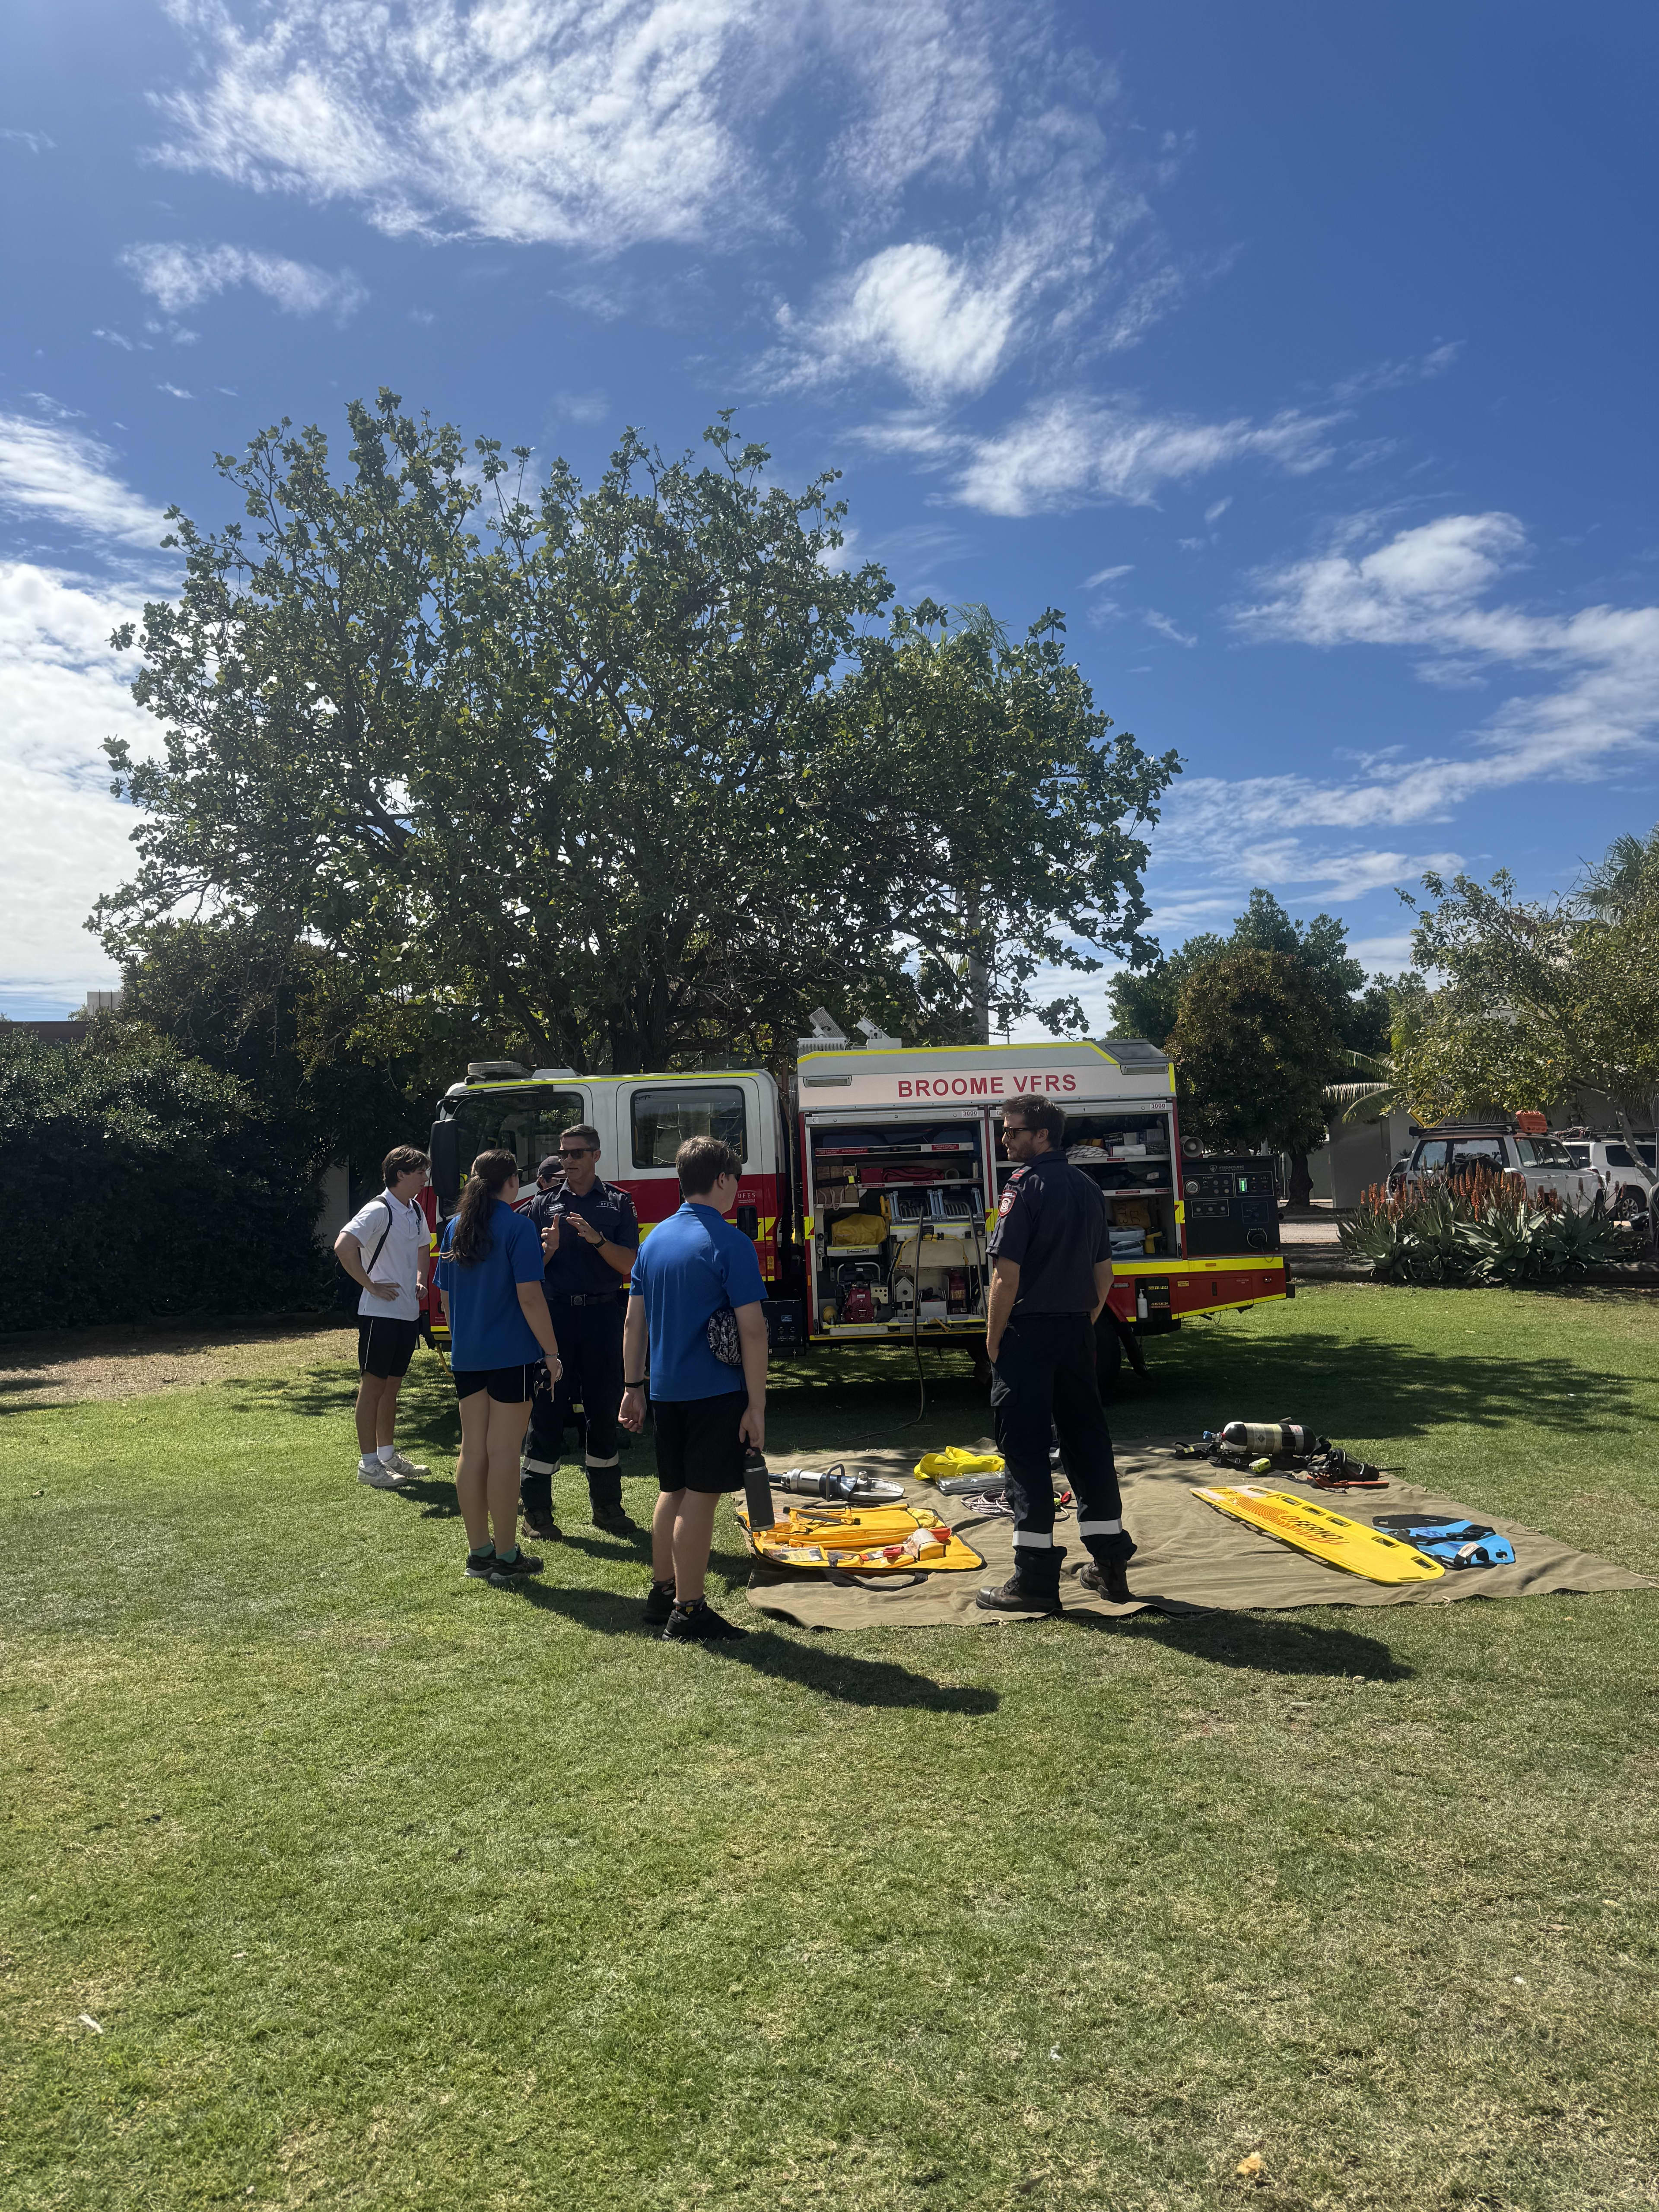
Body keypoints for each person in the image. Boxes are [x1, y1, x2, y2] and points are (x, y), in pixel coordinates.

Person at [978, 1095, 1134, 1615]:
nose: (1005, 1140)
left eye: (1012, 1131)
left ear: (1041, 1134)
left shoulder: (1023, 1189)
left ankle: (1034, 1579)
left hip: (1027, 1337)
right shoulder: (1089, 1188)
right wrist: (1080, 1325)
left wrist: (994, 1339)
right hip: (1075, 1334)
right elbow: (1105, 1275)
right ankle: (1110, 1565)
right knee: (1088, 1444)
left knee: (1024, 1453)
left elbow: (1006, 1275)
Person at [619, 1135, 766, 1642]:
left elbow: (633, 1324)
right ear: (722, 1179)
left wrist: (632, 1385)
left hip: (665, 1389)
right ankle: (689, 1609)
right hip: (712, 1392)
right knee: (700, 1500)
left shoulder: (654, 1239)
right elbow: (753, 1330)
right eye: (736, 1180)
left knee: (673, 1491)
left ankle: (663, 1592)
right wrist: (758, 1406)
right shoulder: (730, 1242)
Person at [433, 1149, 564, 1589]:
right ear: (510, 1182)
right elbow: (529, 1297)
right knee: (506, 1452)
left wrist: (464, 1338)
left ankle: (480, 1552)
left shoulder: (455, 1226)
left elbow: (448, 1298)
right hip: (511, 1356)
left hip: (468, 1355)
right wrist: (551, 1351)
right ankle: (506, 1555)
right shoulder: (517, 1225)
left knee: (473, 1451)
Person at [519, 1127, 640, 1541]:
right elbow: (528, 1271)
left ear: (596, 1155)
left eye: (577, 1153)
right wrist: (548, 1250)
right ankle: (537, 1512)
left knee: (602, 1413)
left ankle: (607, 1508)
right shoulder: (542, 1204)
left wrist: (597, 1239)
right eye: (564, 1154)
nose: (568, 1161)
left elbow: (628, 1264)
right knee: (548, 1412)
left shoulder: (618, 1203)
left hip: (604, 1318)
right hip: (555, 1320)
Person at [333, 1146, 433, 1490]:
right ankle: (369, 1464)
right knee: (373, 1387)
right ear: (401, 1174)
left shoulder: (416, 1209)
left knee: (392, 1387)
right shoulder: (378, 1209)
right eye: (420, 1171)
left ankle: (388, 1456)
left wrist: (420, 1279)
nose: (425, 1177)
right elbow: (343, 1246)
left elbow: (424, 1246)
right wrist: (370, 1285)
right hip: (379, 1315)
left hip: (406, 1312)